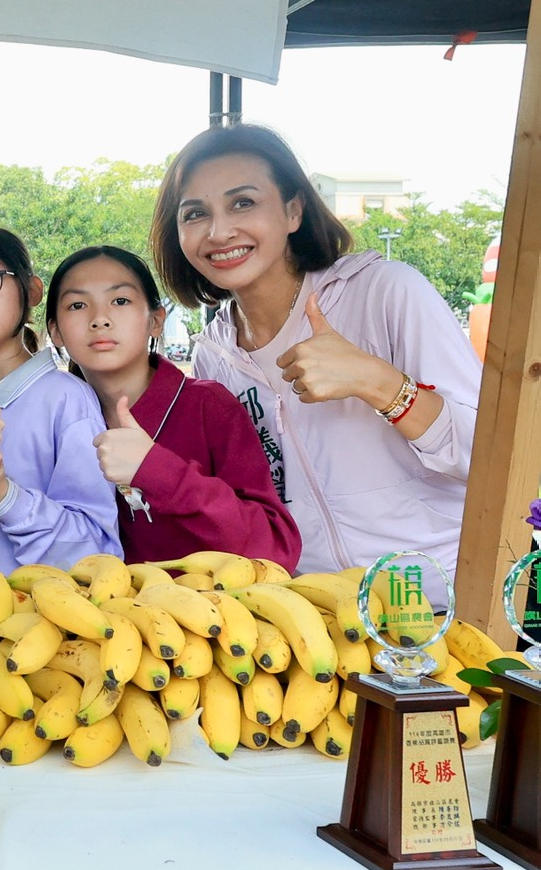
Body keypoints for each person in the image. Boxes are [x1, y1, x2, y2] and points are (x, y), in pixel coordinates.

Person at [150, 123, 481, 604]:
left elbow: (488, 457)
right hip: (315, 613)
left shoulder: (385, 292)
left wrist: (380, 384)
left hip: (443, 598)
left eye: (243, 202)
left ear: (292, 210)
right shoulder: (213, 355)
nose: (219, 231)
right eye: (195, 213)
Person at [43, 245, 301, 567]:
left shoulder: (209, 407)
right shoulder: (48, 423)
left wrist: (156, 469)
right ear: (55, 331)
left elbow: (275, 547)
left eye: (120, 301)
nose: (99, 319)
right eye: (77, 305)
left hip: (214, 612)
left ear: (156, 320)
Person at [0, 226, 121, 581]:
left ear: (31, 291)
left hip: (38, 625)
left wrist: (3, 497)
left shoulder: (65, 399)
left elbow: (97, 553)